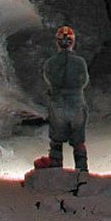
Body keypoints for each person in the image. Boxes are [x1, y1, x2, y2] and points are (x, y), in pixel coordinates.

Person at [38, 25, 90, 172]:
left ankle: (56, 173)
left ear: (57, 42)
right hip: (76, 103)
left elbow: (48, 78)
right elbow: (84, 80)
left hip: (58, 103)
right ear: (73, 42)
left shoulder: (50, 63)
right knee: (79, 141)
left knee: (56, 141)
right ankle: (82, 175)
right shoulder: (80, 62)